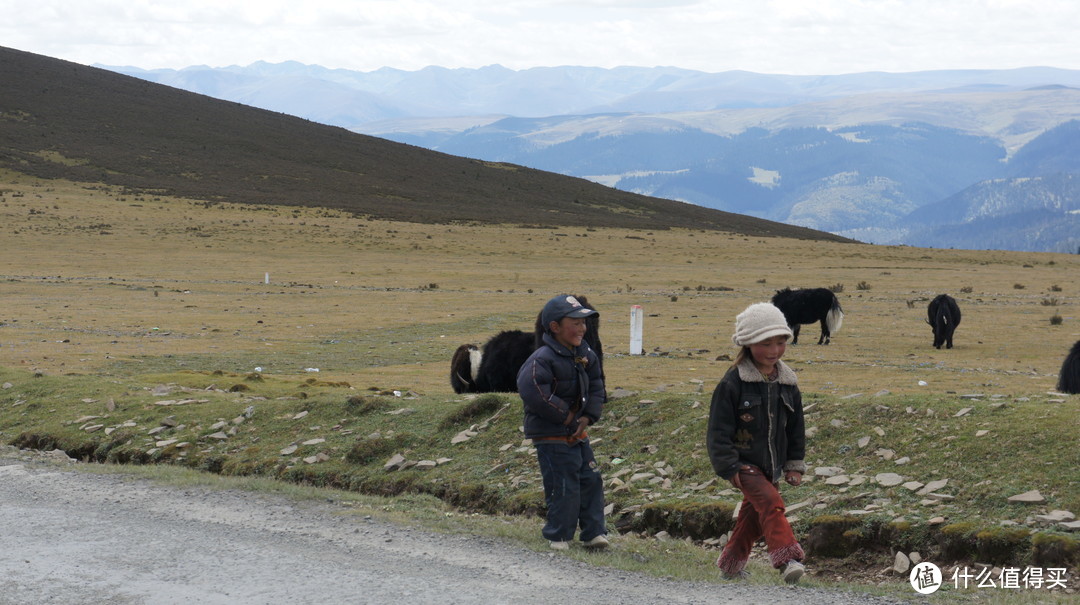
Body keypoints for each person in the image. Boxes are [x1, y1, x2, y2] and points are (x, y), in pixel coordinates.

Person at [707, 302, 808, 583]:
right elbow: (717, 430)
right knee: (773, 504)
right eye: (766, 343)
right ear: (749, 344)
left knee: (753, 517)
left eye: (781, 342)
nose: (774, 350)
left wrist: (794, 465)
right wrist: (730, 468)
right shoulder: (732, 384)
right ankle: (788, 559)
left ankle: (730, 565)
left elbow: (796, 428)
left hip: (772, 466)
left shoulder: (788, 383)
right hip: (742, 465)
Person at [517, 294, 608, 551]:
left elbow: (597, 384)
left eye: (584, 323)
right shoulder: (541, 359)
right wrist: (567, 417)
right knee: (563, 483)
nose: (582, 328)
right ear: (555, 327)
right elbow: (534, 391)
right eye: (575, 323)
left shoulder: (584, 353)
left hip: (576, 432)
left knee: (590, 479)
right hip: (551, 434)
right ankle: (559, 535)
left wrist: (588, 416)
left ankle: (593, 534)